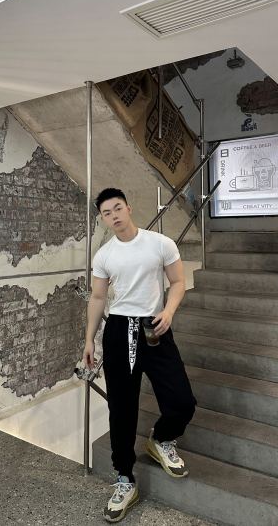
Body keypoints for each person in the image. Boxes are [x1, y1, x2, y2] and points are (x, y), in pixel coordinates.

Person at [82, 187, 196, 523]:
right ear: (103, 219)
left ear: (129, 208)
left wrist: (169, 312)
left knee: (182, 401)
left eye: (117, 208)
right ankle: (124, 479)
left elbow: (178, 282)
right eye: (107, 213)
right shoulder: (104, 255)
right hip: (119, 331)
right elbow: (98, 298)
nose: (114, 216)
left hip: (154, 327)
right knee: (121, 409)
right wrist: (89, 340)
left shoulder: (160, 243)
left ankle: (161, 439)